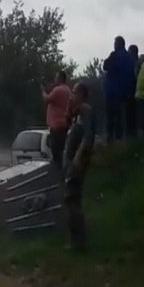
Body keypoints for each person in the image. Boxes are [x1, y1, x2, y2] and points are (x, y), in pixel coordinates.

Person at [63, 82, 96, 252]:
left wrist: (77, 157)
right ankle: (74, 241)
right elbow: (68, 128)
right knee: (70, 200)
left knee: (72, 199)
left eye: (74, 92)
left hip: (78, 163)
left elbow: (88, 136)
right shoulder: (77, 113)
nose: (71, 96)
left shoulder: (86, 111)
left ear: (82, 94)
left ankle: (78, 242)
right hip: (70, 164)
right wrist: (69, 111)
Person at [103, 36, 134, 143]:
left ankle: (111, 140)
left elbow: (105, 66)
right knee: (120, 118)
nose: (114, 44)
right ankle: (120, 139)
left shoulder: (115, 55)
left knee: (111, 118)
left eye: (115, 42)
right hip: (124, 92)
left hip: (112, 91)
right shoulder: (129, 58)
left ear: (118, 44)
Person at [42, 70, 71, 170]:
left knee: (56, 152)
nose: (55, 79)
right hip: (64, 124)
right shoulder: (67, 89)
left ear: (60, 78)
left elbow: (47, 99)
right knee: (61, 150)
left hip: (56, 125)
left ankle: (57, 174)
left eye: (56, 77)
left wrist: (43, 91)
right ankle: (61, 172)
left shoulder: (58, 90)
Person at [126, 44, 139, 138]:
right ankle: (132, 133)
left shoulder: (135, 64)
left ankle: (132, 134)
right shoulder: (135, 63)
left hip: (133, 92)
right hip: (133, 91)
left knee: (132, 114)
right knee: (131, 114)